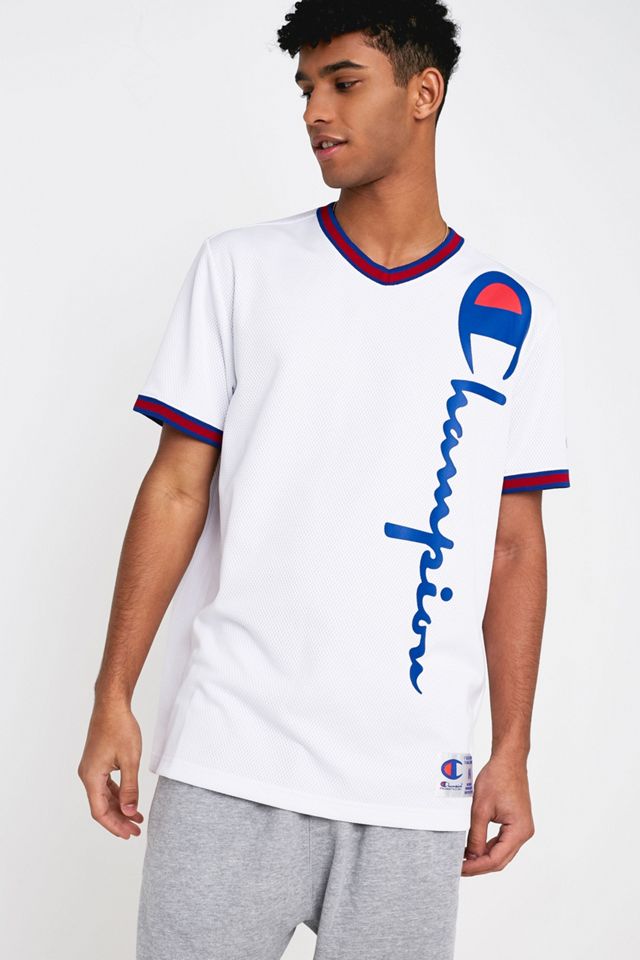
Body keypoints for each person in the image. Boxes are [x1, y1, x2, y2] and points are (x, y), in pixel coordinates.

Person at [77, 2, 571, 958]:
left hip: (412, 781)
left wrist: (511, 748)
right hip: (231, 755)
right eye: (307, 88)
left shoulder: (516, 312)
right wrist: (113, 695)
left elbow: (513, 544)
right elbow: (175, 489)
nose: (315, 111)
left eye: (344, 82)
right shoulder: (240, 270)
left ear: (424, 92)